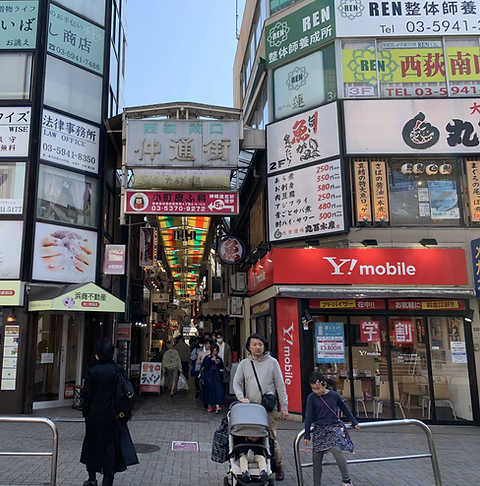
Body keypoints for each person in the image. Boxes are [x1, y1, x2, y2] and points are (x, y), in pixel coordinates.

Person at [80, 338, 138, 486]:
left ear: (97, 354)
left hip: (94, 416)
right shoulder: (118, 370)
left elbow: (86, 395)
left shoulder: (92, 370)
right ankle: (107, 481)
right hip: (113, 416)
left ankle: (92, 478)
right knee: (110, 450)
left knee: (92, 446)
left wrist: (86, 412)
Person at [233, 333, 288, 481]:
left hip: (268, 409)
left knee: (271, 437)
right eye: (254, 344)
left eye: (260, 344)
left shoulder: (272, 363)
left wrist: (285, 406)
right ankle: (255, 464)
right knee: (250, 436)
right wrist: (241, 397)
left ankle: (278, 465)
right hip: (250, 409)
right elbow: (236, 382)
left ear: (265, 346)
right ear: (249, 347)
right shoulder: (244, 364)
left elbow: (280, 385)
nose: (258, 347)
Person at [303, 372, 361, 486]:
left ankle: (346, 480)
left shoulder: (334, 395)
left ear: (324, 385)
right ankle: (317, 483)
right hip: (319, 428)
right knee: (316, 457)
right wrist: (307, 435)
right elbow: (308, 416)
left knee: (336, 449)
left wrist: (354, 422)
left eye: (317, 388)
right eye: (313, 389)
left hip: (333, 426)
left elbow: (345, 409)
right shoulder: (311, 398)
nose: (315, 391)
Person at [200, 342, 225, 413]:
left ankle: (217, 406)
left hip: (216, 376)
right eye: (214, 351)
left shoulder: (218, 358)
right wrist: (210, 361)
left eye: (216, 351)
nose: (215, 352)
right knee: (209, 391)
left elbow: (222, 366)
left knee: (218, 390)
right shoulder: (207, 357)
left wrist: (218, 363)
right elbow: (205, 365)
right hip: (209, 377)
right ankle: (209, 405)